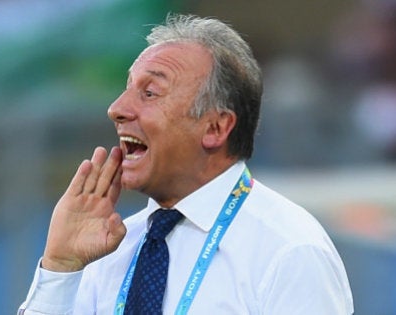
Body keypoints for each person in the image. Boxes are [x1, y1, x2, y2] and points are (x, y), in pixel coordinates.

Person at [19, 14, 354, 314]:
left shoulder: (289, 251)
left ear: (215, 127)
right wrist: (60, 267)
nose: (117, 108)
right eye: (127, 89)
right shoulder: (105, 250)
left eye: (149, 93)